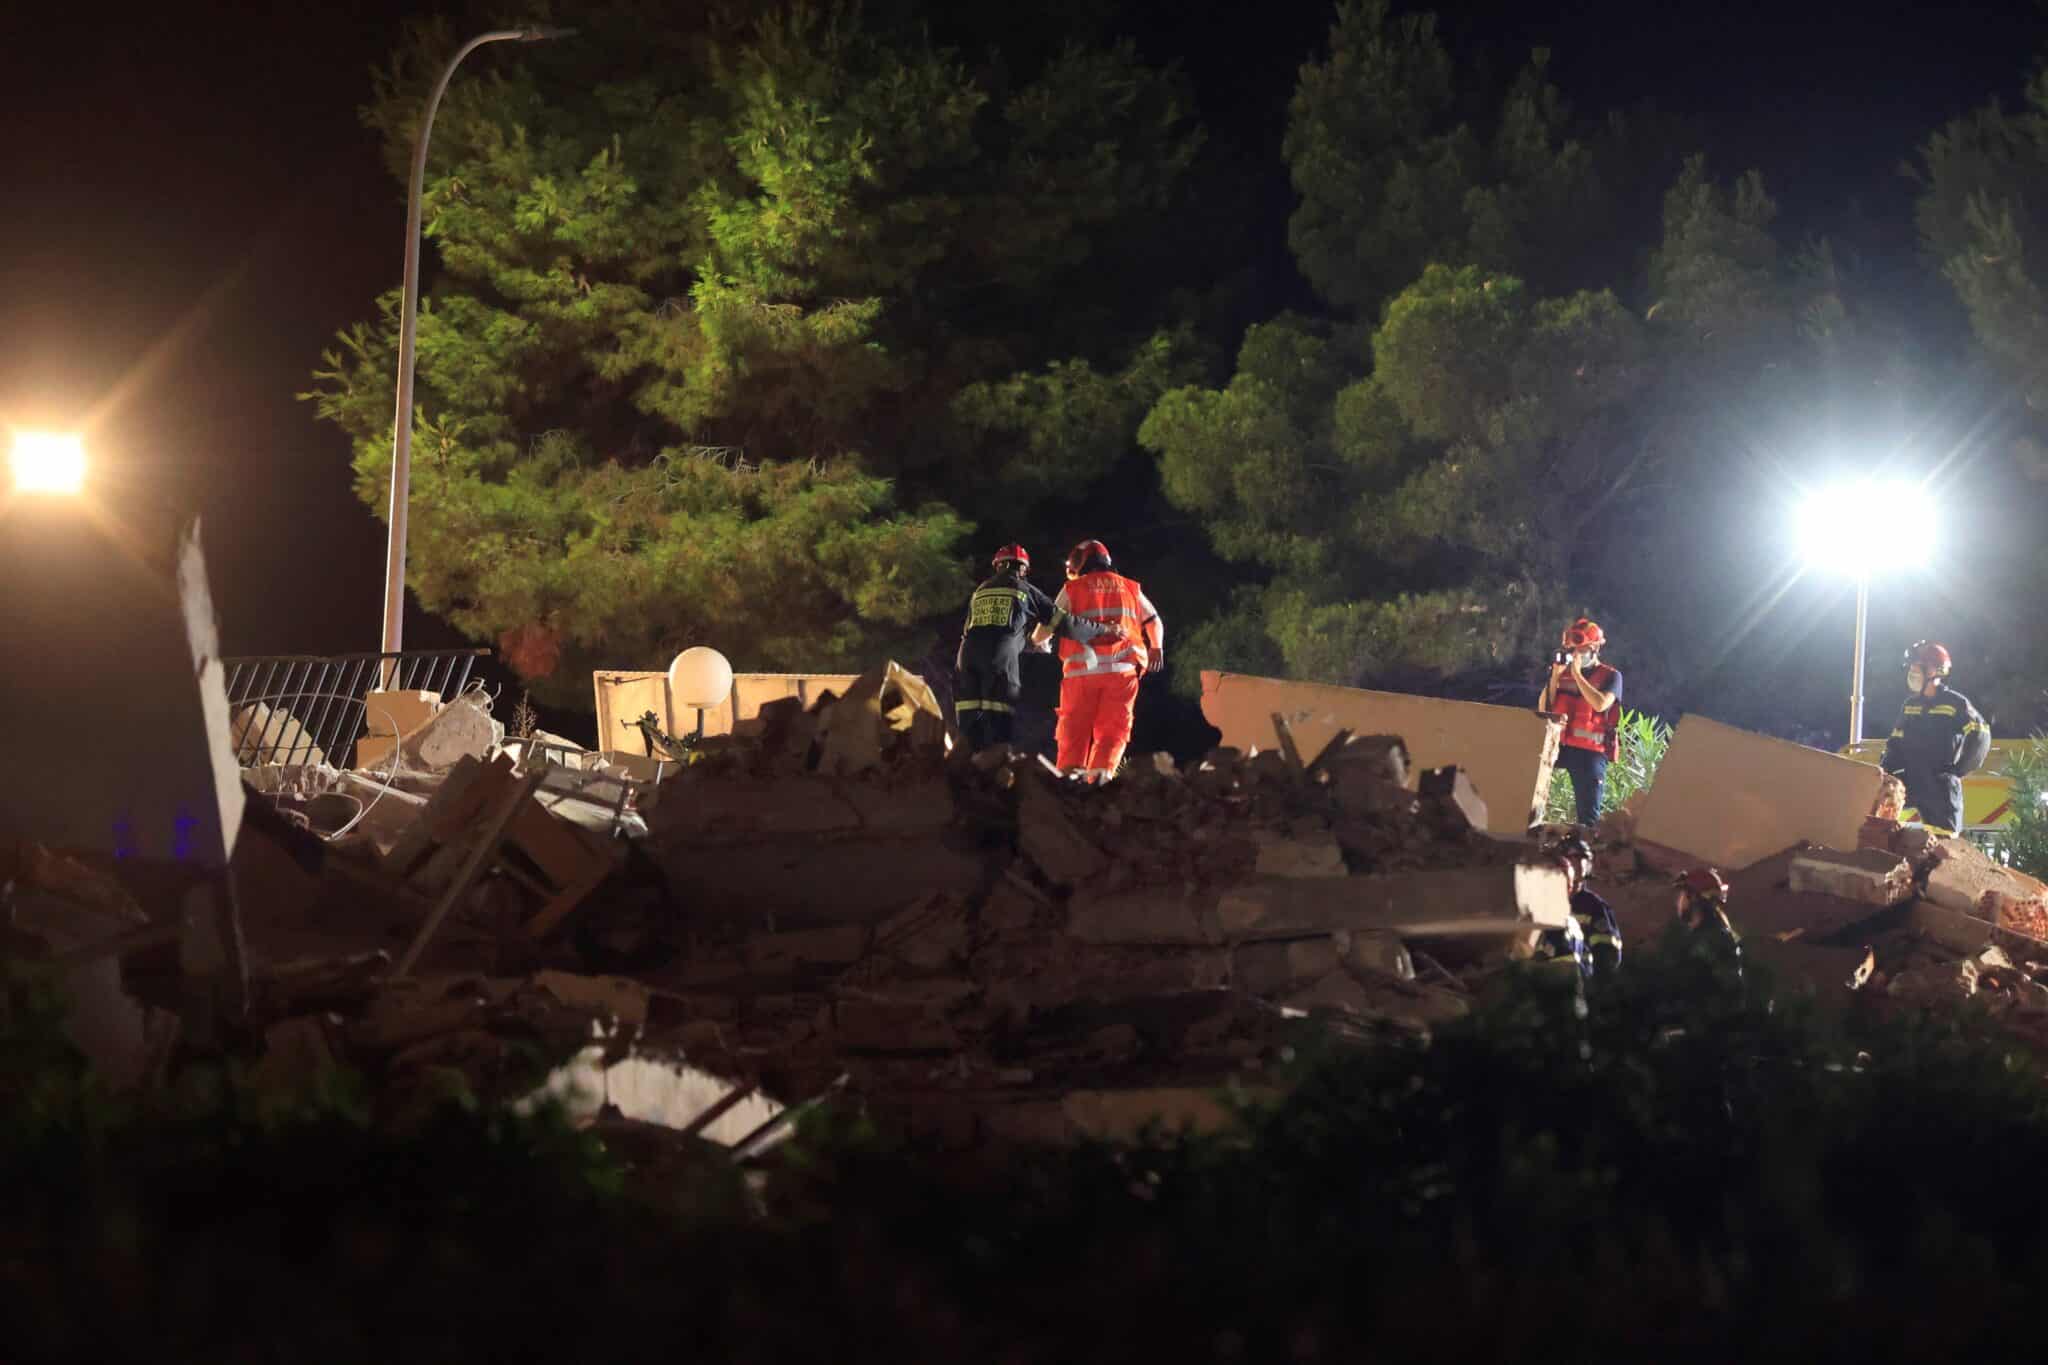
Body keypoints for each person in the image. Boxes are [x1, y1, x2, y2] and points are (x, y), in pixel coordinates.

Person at [1031, 539, 1164, 783]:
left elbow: (1049, 623)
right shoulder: (1130, 588)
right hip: (1122, 673)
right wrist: (1157, 648)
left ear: (1080, 564)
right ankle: (1100, 784)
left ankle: (1069, 786)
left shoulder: (1074, 589)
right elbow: (1153, 620)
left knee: (1074, 734)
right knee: (1113, 735)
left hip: (1081, 674)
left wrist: (1039, 641)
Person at [953, 543, 1065, 752]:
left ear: (998, 566)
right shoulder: (1023, 588)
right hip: (999, 666)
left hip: (967, 660)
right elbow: (1056, 618)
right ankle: (993, 773)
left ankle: (959, 774)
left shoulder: (980, 590)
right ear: (1022, 569)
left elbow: (972, 629)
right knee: (998, 732)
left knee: (967, 734)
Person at [1880, 641, 1991, 838]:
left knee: (1944, 845)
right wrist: (1885, 773)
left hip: (1940, 788)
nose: (1912, 672)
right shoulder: (1910, 705)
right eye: (1911, 667)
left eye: (1917, 667)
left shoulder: (1956, 704)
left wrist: (1958, 770)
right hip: (1911, 781)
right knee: (1883, 825)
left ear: (1935, 671)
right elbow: (1895, 742)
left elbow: (1981, 735)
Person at [1538, 617, 1623, 829]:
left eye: (1581, 650)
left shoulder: (1611, 676)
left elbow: (1600, 704)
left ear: (1594, 648)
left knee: (1588, 817)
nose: (1576, 655)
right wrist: (1554, 678)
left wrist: (1576, 675)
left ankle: (1585, 852)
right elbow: (1543, 709)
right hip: (1560, 746)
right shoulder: (1562, 674)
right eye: (1572, 650)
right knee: (1528, 777)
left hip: (1590, 752)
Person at [1540, 834, 1622, 977]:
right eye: (1571, 857)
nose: (1577, 863)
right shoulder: (1542, 904)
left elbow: (1607, 955)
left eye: (1582, 858)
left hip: (1580, 980)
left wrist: (1595, 985)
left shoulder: (1595, 906)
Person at [1674, 866, 1741, 971]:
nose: (1679, 902)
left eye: (1682, 895)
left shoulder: (1705, 944)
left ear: (1694, 898)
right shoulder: (1717, 932)